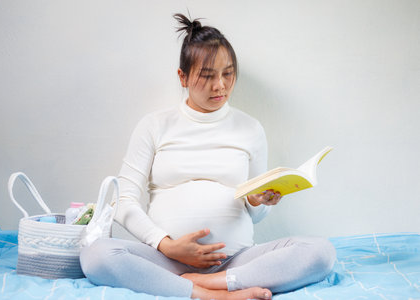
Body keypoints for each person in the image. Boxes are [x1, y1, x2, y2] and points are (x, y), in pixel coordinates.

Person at [80, 13, 336, 300]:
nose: (221, 86)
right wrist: (166, 245)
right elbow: (122, 201)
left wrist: (258, 200)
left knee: (321, 252)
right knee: (96, 254)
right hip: (165, 261)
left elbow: (258, 214)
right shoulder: (154, 125)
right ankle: (214, 294)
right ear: (183, 77)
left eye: (228, 74)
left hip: (235, 261)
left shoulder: (250, 128)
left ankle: (215, 283)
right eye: (207, 75)